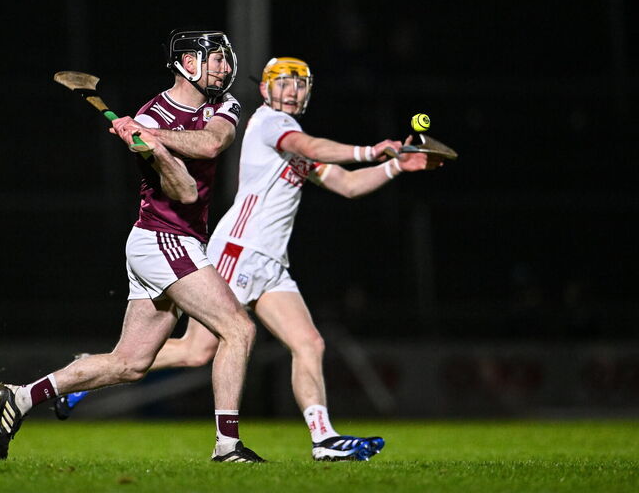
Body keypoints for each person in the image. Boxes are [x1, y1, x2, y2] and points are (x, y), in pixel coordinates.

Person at [54, 57, 442, 461]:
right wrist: (372, 150)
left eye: (300, 84)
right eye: (283, 82)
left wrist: (397, 165)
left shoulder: (292, 139)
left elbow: (346, 184)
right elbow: (312, 147)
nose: (291, 91)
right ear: (265, 90)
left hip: (271, 263)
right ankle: (93, 369)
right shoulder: (271, 123)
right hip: (238, 251)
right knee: (197, 351)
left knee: (309, 342)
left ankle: (324, 439)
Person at [0, 29, 266, 463]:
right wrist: (152, 148)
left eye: (226, 59)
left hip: (170, 242)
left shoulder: (221, 105)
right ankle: (228, 446)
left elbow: (213, 142)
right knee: (238, 329)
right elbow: (185, 191)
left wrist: (154, 138)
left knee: (130, 364)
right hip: (164, 239)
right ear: (188, 64)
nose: (225, 68)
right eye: (216, 59)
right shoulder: (151, 113)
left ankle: (22, 396)